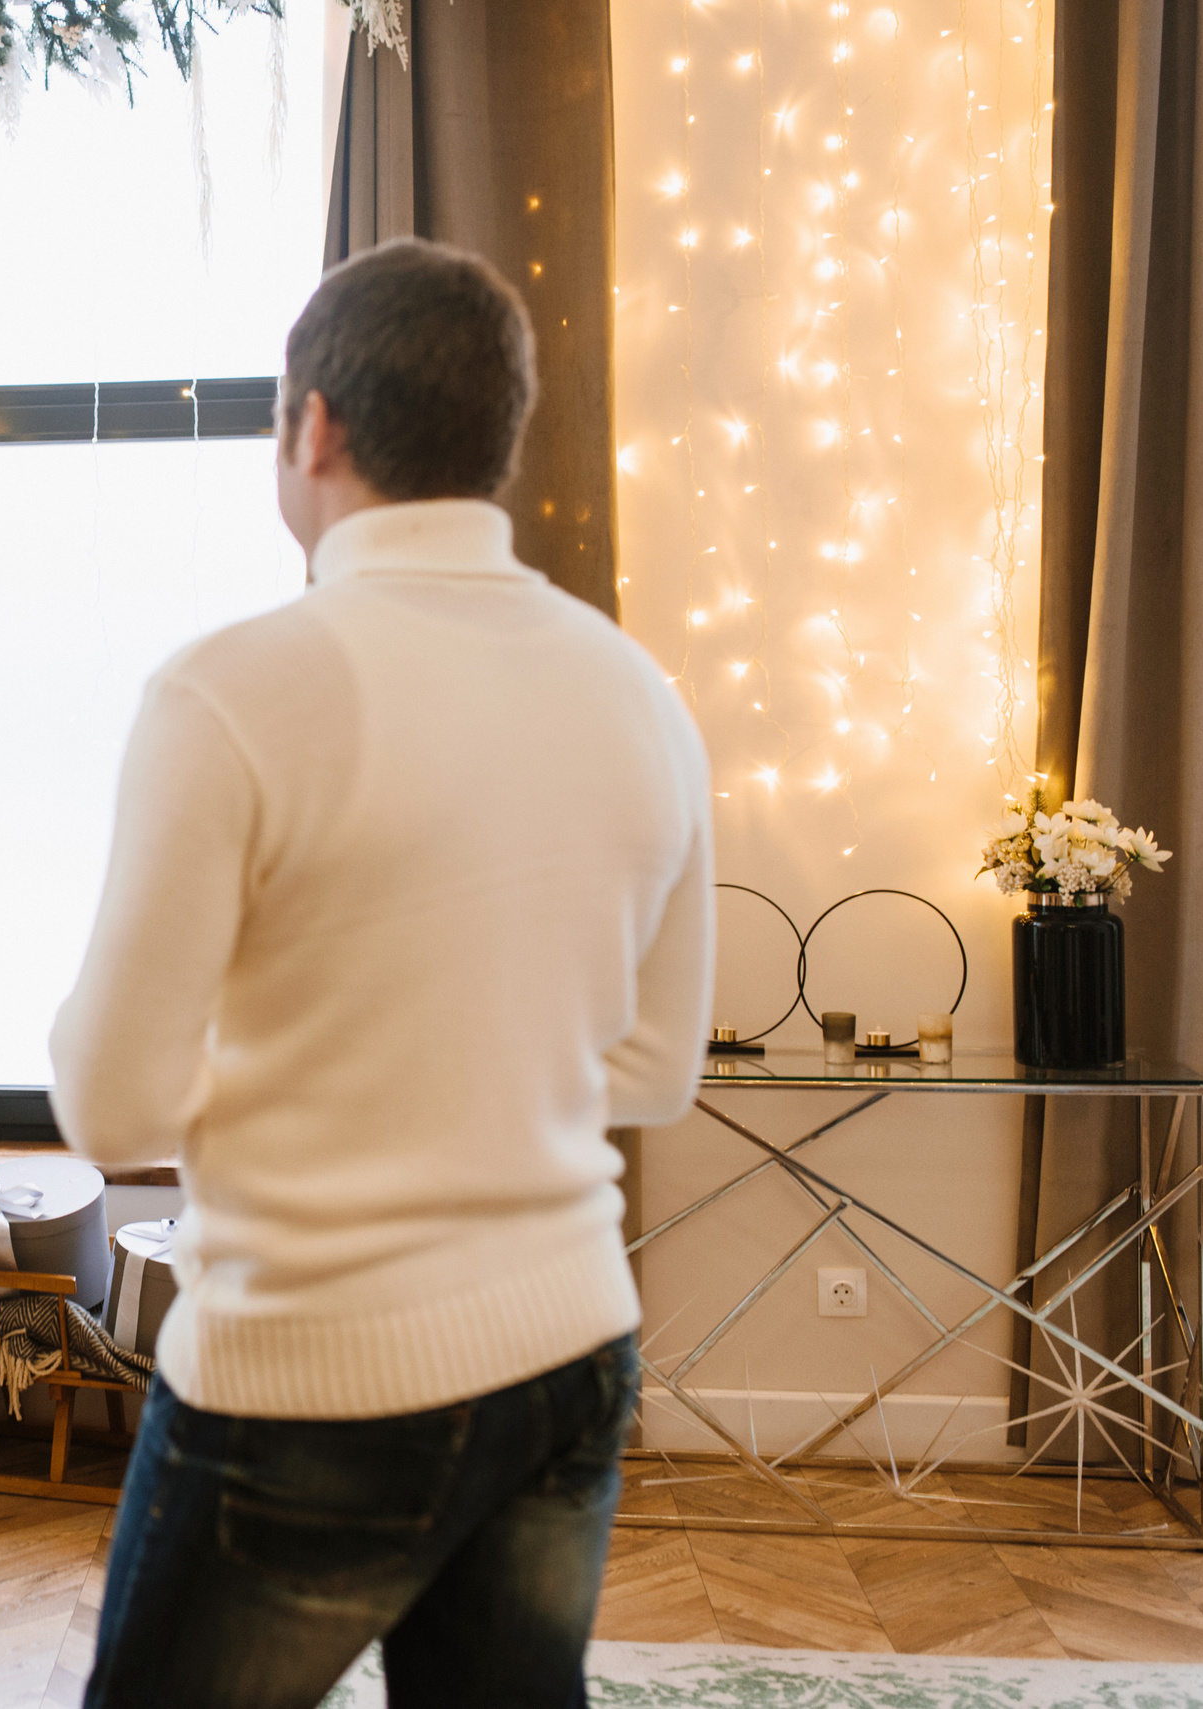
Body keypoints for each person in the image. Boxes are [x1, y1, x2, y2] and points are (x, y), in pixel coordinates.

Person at [51, 238, 715, 1708]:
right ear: (500, 436)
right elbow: (660, 1069)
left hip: (310, 1370)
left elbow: (109, 1108)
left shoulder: (229, 690)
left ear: (318, 427)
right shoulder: (637, 694)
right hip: (566, 1343)